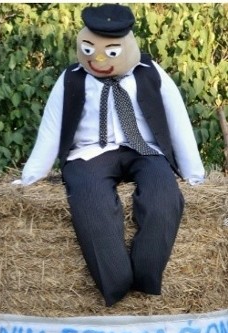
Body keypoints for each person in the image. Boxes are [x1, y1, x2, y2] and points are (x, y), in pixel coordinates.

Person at [17, 4, 205, 307]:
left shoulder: (150, 73)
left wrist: (194, 174)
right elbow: (51, 128)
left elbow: (178, 120)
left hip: (144, 149)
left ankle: (146, 276)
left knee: (163, 196)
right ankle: (116, 283)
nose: (98, 60)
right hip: (89, 153)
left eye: (110, 52)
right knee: (90, 203)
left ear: (127, 46)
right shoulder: (72, 78)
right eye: (90, 50)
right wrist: (30, 177)